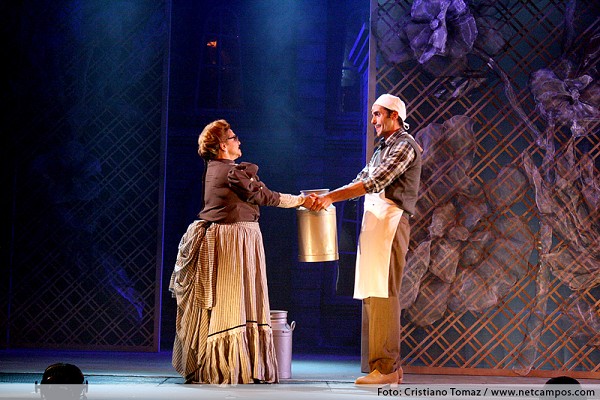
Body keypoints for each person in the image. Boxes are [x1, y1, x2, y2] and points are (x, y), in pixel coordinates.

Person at [169, 119, 312, 384]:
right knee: (232, 302)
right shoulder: (230, 172)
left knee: (238, 300)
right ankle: (228, 367)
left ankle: (237, 365)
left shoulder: (217, 169)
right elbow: (265, 196)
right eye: (234, 138)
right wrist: (301, 201)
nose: (239, 141)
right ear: (223, 145)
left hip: (236, 237)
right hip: (233, 240)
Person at [308, 94, 422, 385]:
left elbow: (374, 182)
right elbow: (360, 178)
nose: (373, 121)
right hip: (375, 224)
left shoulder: (404, 145)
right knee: (372, 292)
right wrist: (327, 197)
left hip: (390, 223)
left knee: (384, 293)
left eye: (377, 114)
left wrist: (330, 198)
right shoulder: (382, 148)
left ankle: (386, 367)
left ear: (394, 115)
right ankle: (384, 366)